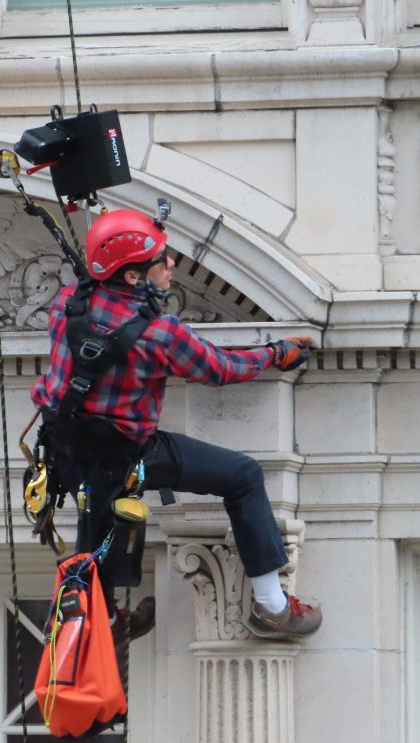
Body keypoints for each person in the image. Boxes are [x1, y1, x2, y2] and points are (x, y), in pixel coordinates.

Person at [30, 207, 322, 643]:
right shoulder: (161, 334)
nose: (172, 265)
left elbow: (97, 299)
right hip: (127, 455)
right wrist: (276, 353)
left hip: (66, 452)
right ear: (132, 278)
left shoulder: (65, 305)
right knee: (243, 476)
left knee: (95, 521)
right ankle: (273, 607)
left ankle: (104, 623)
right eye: (161, 259)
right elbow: (220, 369)